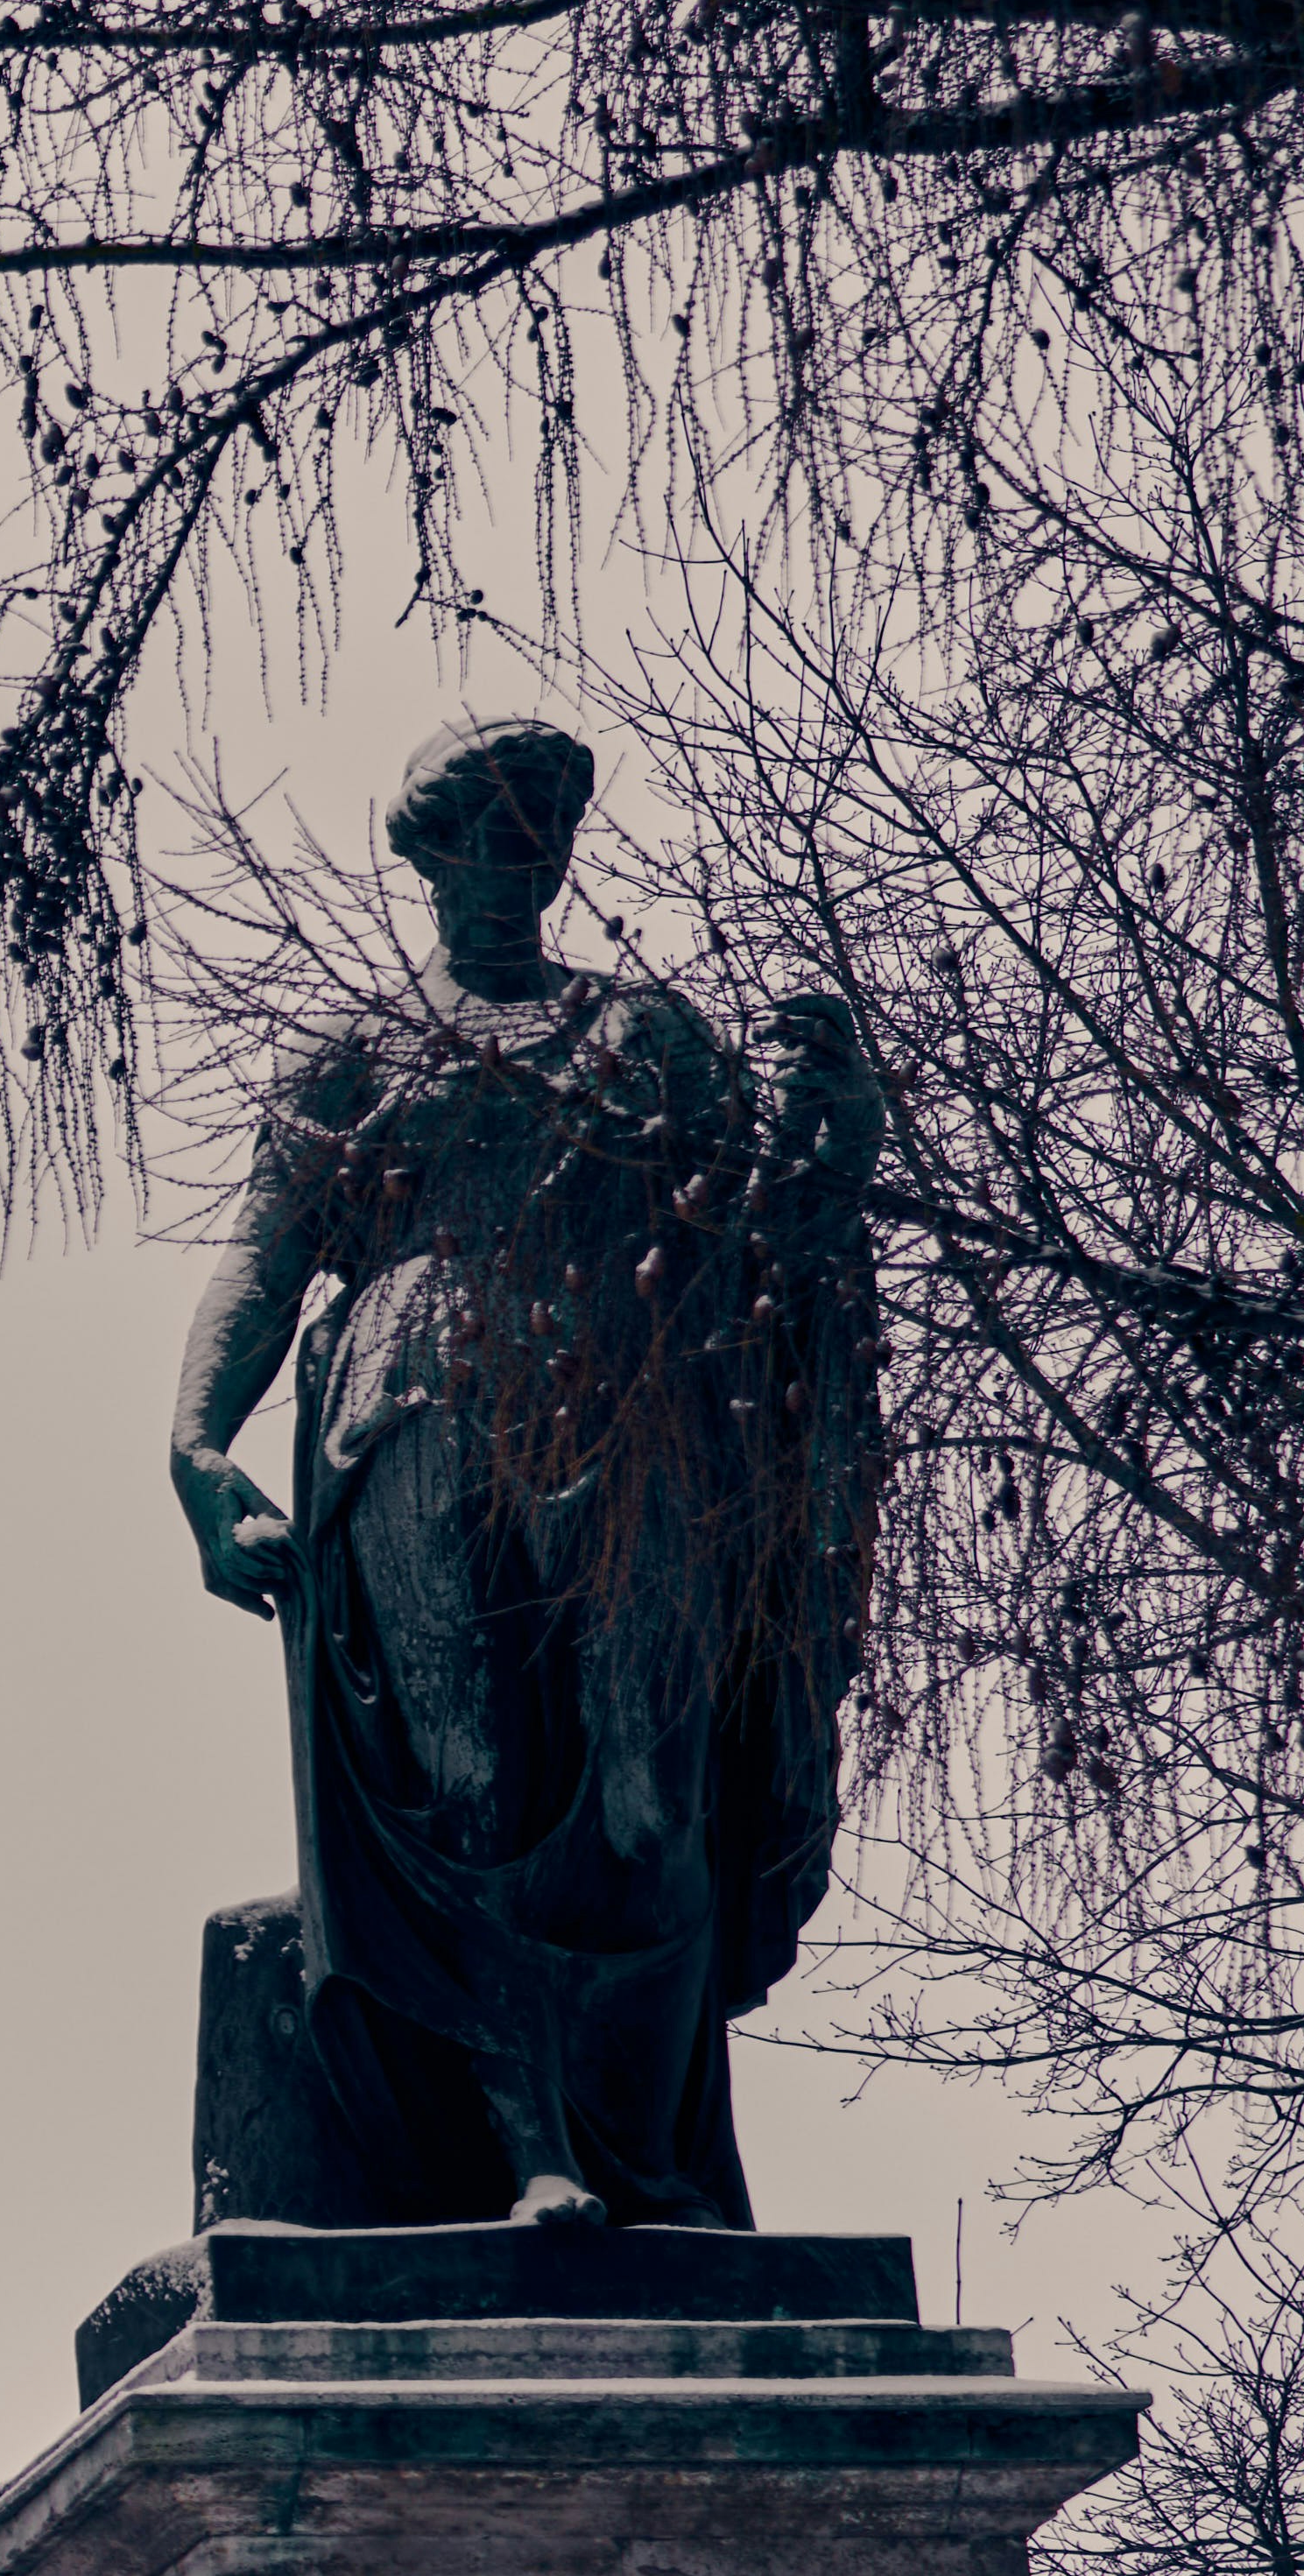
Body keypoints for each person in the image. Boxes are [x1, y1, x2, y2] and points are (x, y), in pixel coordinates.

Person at [166, 722, 881, 2228]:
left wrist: (833, 1151)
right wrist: (197, 1446)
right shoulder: (360, 1050)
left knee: (648, 1791)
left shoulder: (649, 1037)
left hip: (632, 1425)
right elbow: (266, 1255)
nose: (507, 861)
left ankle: (647, 2150)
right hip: (410, 1413)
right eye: (474, 832)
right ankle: (532, 2145)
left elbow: (758, 1261)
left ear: (563, 852)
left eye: (533, 833)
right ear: (420, 854)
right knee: (467, 1789)